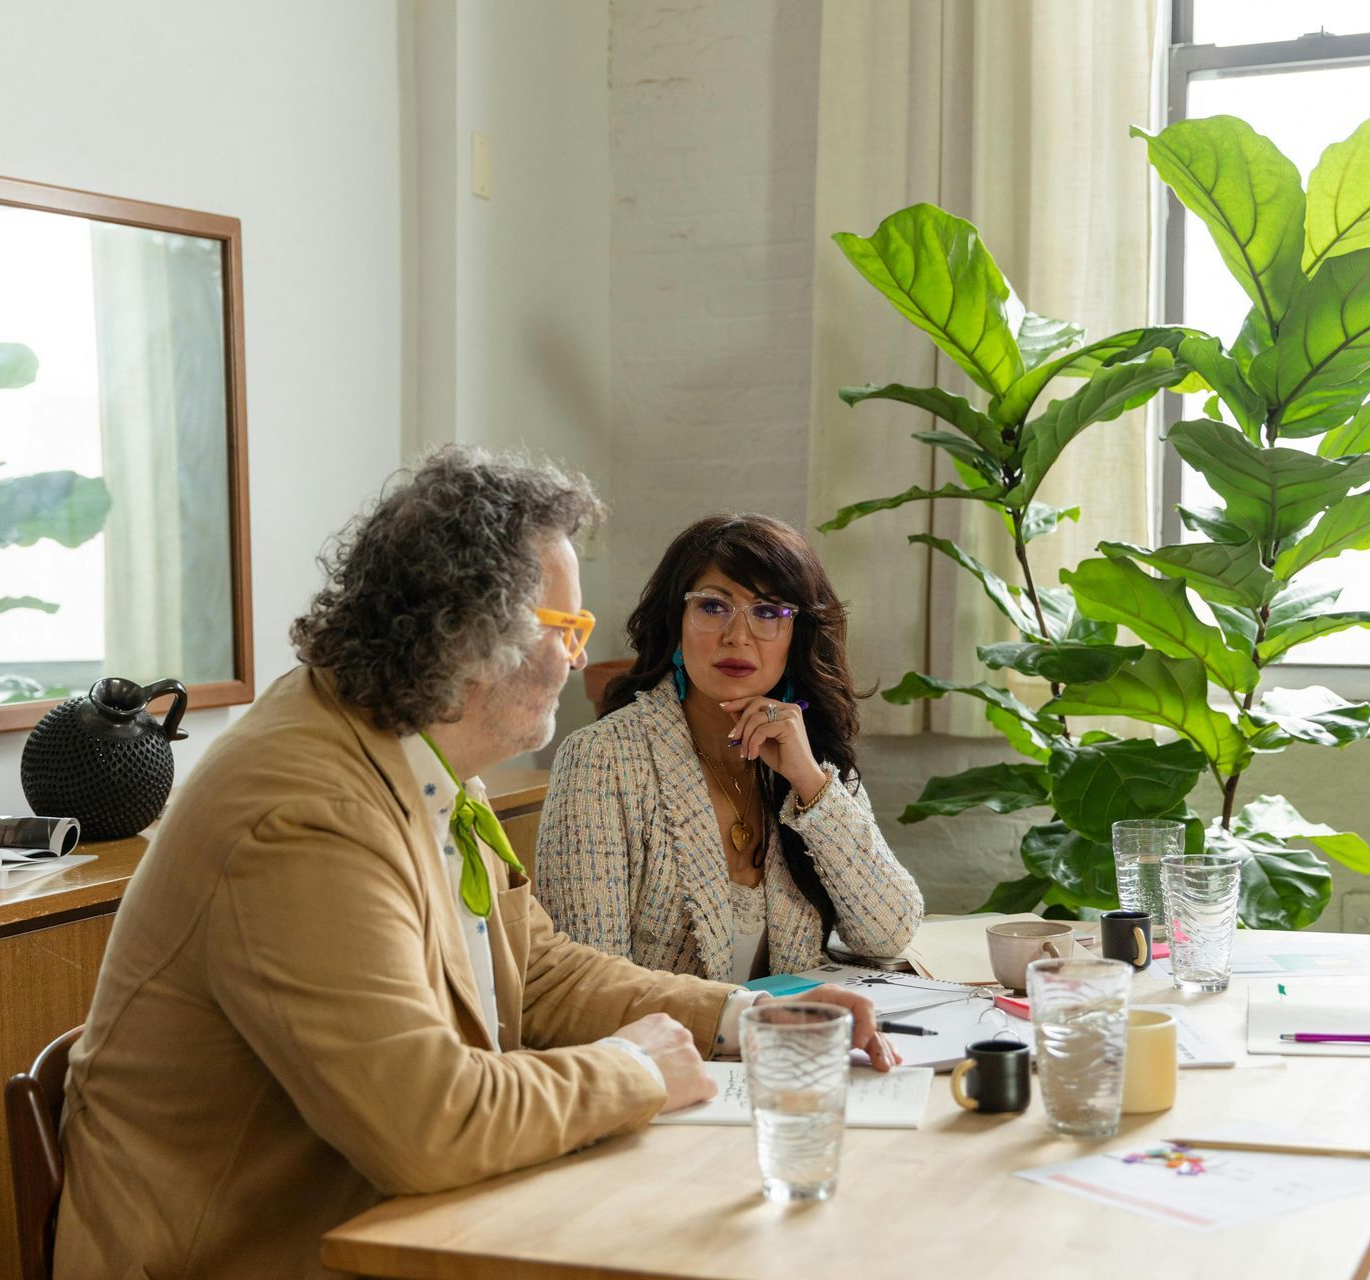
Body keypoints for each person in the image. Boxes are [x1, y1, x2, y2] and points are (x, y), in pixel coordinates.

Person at [52, 451, 893, 1279]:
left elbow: (540, 973)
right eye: (565, 630)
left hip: (408, 1225)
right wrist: (636, 1068)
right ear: (469, 636)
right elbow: (428, 1124)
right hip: (256, 1255)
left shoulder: (423, 756)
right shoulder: (305, 812)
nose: (574, 662)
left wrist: (744, 1020)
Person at [535, 513, 924, 984]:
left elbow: (888, 934)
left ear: (795, 637)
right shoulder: (602, 760)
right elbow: (588, 986)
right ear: (676, 623)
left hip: (786, 1049)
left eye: (767, 612)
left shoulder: (810, 753)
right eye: (713, 607)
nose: (737, 636)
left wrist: (811, 783)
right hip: (666, 1053)